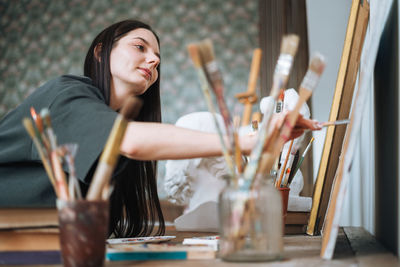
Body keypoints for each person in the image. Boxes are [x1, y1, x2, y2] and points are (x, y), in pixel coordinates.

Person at [0, 19, 320, 238]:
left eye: (157, 57)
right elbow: (130, 141)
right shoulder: (66, 92)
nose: (153, 60)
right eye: (140, 47)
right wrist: (247, 141)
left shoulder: (114, 137)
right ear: (101, 51)